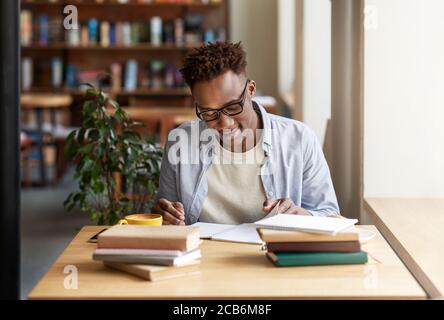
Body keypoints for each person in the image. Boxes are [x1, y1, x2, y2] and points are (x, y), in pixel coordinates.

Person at [152, 41, 339, 225]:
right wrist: (165, 216)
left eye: (233, 106)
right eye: (209, 113)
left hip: (273, 253)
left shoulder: (299, 139)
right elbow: (166, 215)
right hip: (204, 253)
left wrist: (303, 216)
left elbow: (330, 216)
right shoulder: (181, 142)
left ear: (251, 90)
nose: (225, 123)